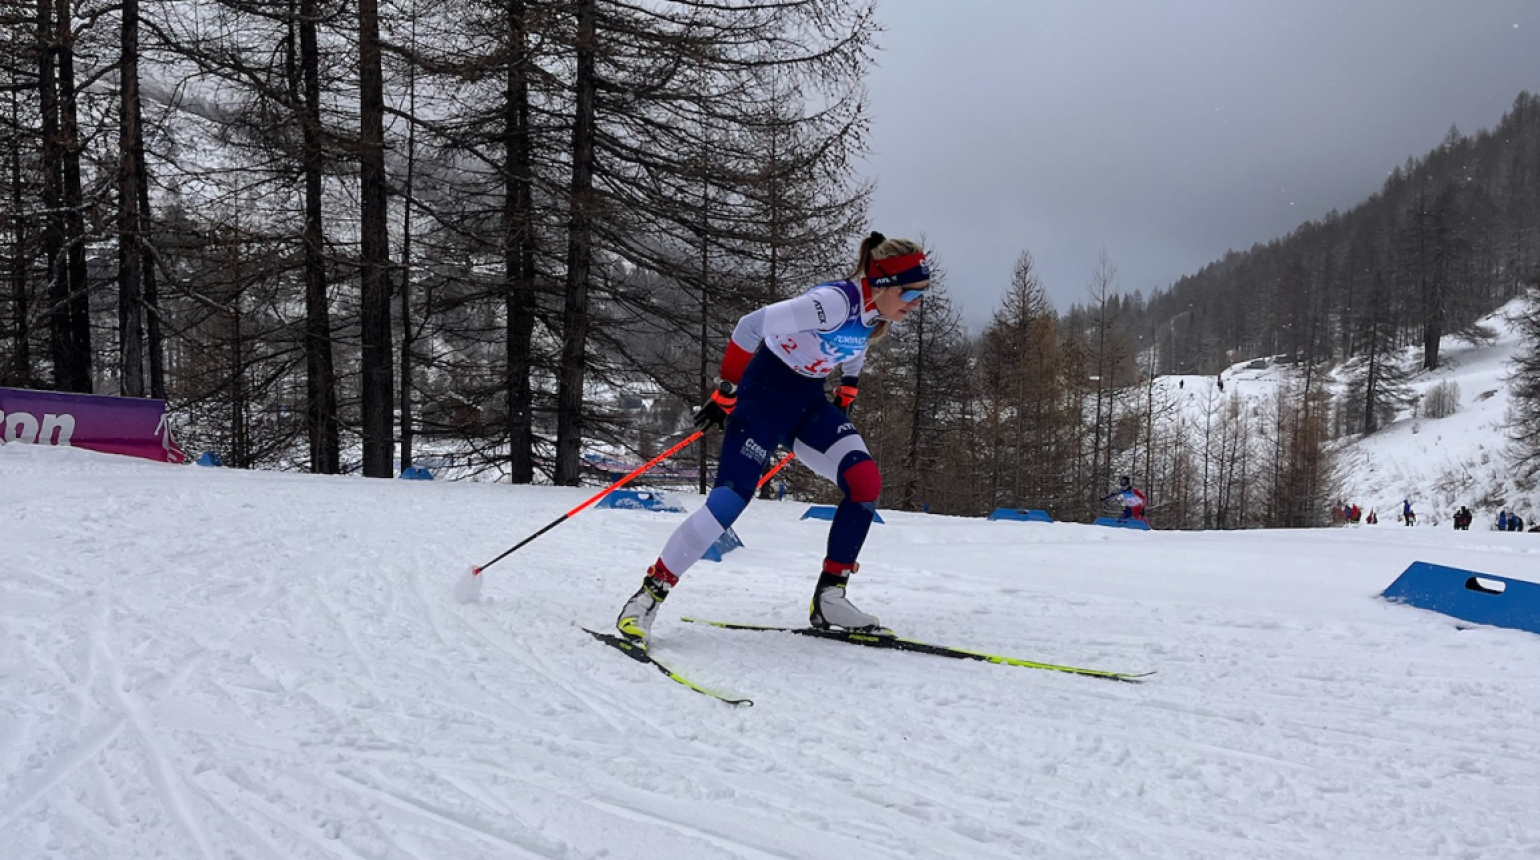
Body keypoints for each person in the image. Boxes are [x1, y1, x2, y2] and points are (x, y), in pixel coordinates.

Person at [614, 232, 931, 644]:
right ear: (884, 281)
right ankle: (647, 597)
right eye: (911, 293)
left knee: (865, 481)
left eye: (920, 295)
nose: (915, 304)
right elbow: (752, 325)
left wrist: (848, 385)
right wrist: (727, 388)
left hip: (807, 403)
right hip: (761, 399)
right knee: (728, 502)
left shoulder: (876, 312)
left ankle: (830, 597)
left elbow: (855, 344)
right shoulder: (835, 302)